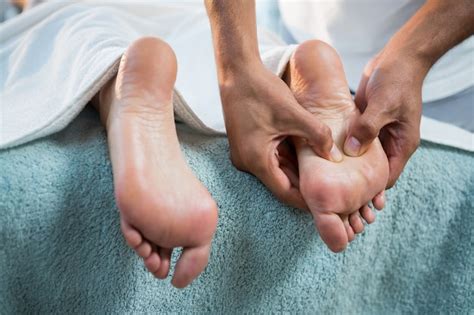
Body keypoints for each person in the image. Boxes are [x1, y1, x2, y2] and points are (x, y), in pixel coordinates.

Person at [204, 0, 474, 203]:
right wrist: (238, 69)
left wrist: (415, 54)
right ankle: (308, 71)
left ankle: (302, 66)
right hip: (302, 20)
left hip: (449, 69)